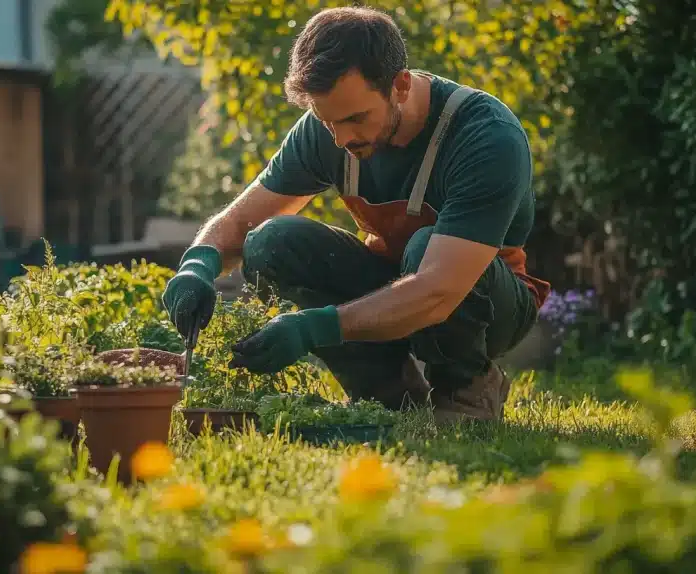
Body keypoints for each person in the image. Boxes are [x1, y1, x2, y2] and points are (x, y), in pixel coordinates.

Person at [161, 6, 551, 423]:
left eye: (355, 119)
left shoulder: (486, 136)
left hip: (485, 300)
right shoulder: (327, 131)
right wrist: (197, 264)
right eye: (328, 121)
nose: (342, 138)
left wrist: (314, 328)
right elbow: (241, 223)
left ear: (400, 85)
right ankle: (386, 390)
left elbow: (440, 288)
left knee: (424, 248)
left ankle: (466, 387)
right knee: (271, 242)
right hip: (392, 280)